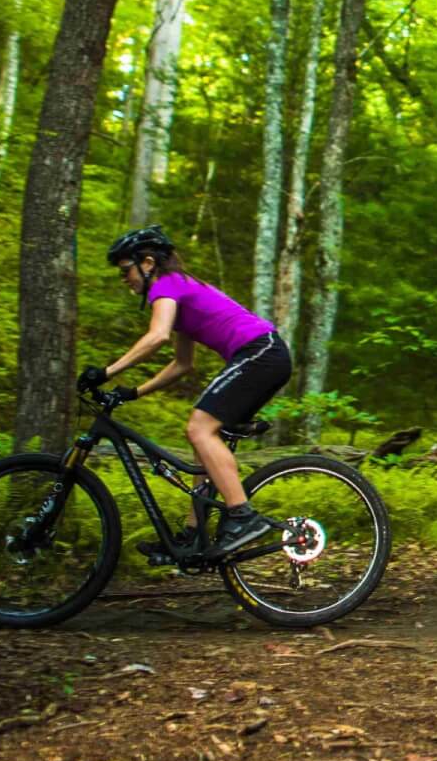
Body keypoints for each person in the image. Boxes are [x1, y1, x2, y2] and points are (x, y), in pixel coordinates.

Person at [77, 226, 294, 558]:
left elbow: (156, 337)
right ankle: (192, 535)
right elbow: (182, 364)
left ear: (147, 263)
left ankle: (243, 516)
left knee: (198, 427)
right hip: (262, 355)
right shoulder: (178, 290)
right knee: (203, 442)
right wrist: (133, 392)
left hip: (261, 352)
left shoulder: (166, 285)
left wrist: (105, 372)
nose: (125, 279)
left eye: (126, 270)